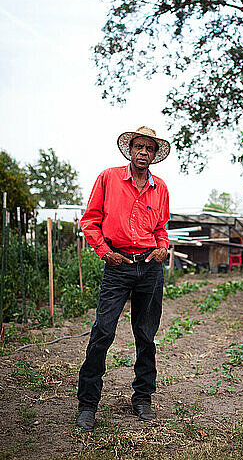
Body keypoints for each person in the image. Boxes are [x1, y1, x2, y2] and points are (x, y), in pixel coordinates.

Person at [76, 126, 170, 431]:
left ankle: (143, 398)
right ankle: (88, 404)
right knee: (102, 331)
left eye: (149, 148)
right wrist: (105, 253)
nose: (143, 152)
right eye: (138, 147)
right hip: (117, 264)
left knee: (146, 336)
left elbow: (160, 229)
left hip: (150, 268)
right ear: (129, 150)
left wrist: (163, 247)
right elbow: (90, 221)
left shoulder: (161, 189)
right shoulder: (108, 178)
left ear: (155, 155)